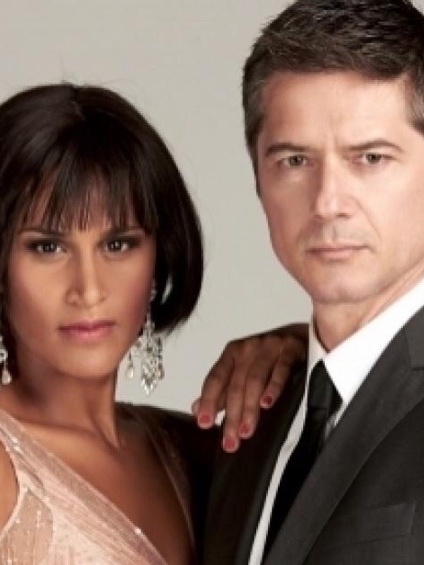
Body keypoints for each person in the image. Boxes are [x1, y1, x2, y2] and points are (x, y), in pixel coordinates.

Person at [0, 82, 306, 564]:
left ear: (159, 260)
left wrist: (295, 344)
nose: (89, 288)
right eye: (48, 247)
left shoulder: (189, 451)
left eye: (118, 244)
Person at [202, 0, 424, 563]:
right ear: (258, 180)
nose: (327, 203)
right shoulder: (252, 418)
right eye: (295, 161)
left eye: (370, 158)